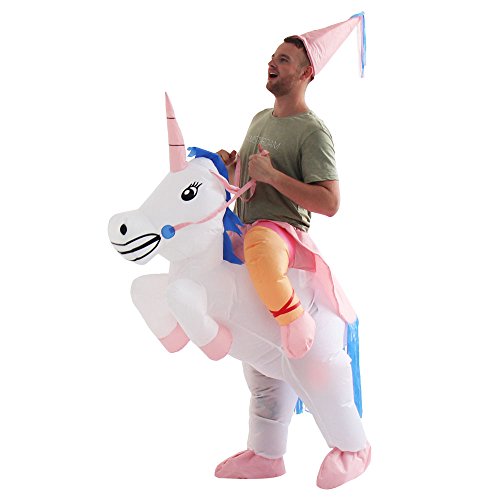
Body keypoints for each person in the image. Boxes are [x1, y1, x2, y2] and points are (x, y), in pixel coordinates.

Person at [216, 13, 371, 489]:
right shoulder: (259, 119)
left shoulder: (312, 131)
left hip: (281, 235)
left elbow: (329, 202)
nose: (272, 63)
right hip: (246, 227)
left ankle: (295, 319)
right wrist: (233, 168)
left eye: (283, 60)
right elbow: (250, 180)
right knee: (260, 366)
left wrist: (273, 177)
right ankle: (266, 454)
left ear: (306, 73)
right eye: (272, 57)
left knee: (260, 245)